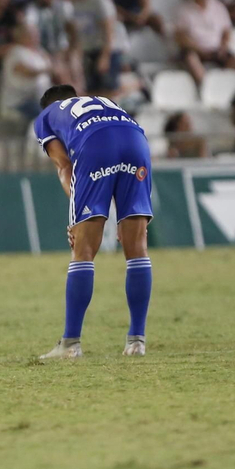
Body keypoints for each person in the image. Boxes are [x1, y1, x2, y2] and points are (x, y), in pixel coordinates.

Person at [31, 85, 154, 361]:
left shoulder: (46, 117)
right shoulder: (103, 101)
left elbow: (64, 166)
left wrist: (78, 215)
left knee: (83, 250)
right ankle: (136, 341)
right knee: (137, 247)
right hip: (137, 142)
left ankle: (70, 344)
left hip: (96, 146)